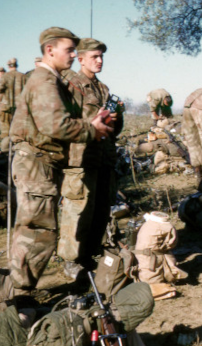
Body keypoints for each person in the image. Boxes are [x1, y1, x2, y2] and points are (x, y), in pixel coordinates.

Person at [8, 27, 112, 291]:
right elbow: (55, 125)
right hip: (37, 160)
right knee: (35, 231)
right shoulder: (45, 81)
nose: (73, 55)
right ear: (49, 50)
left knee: (38, 229)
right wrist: (92, 129)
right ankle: (18, 294)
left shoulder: (51, 80)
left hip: (44, 161)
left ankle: (22, 291)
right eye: (70, 50)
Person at [58, 38, 123, 278]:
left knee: (99, 209)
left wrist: (116, 118)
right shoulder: (70, 85)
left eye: (102, 56)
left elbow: (112, 129)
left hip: (103, 157)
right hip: (80, 158)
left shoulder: (102, 88)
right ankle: (70, 260)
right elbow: (63, 122)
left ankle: (89, 254)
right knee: (77, 210)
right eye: (94, 56)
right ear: (80, 58)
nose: (100, 61)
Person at [0, 58, 25, 138]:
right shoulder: (23, 76)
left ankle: (5, 145)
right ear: (17, 65)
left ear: (8, 66)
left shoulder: (5, 76)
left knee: (5, 129)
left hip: (6, 105)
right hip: (20, 106)